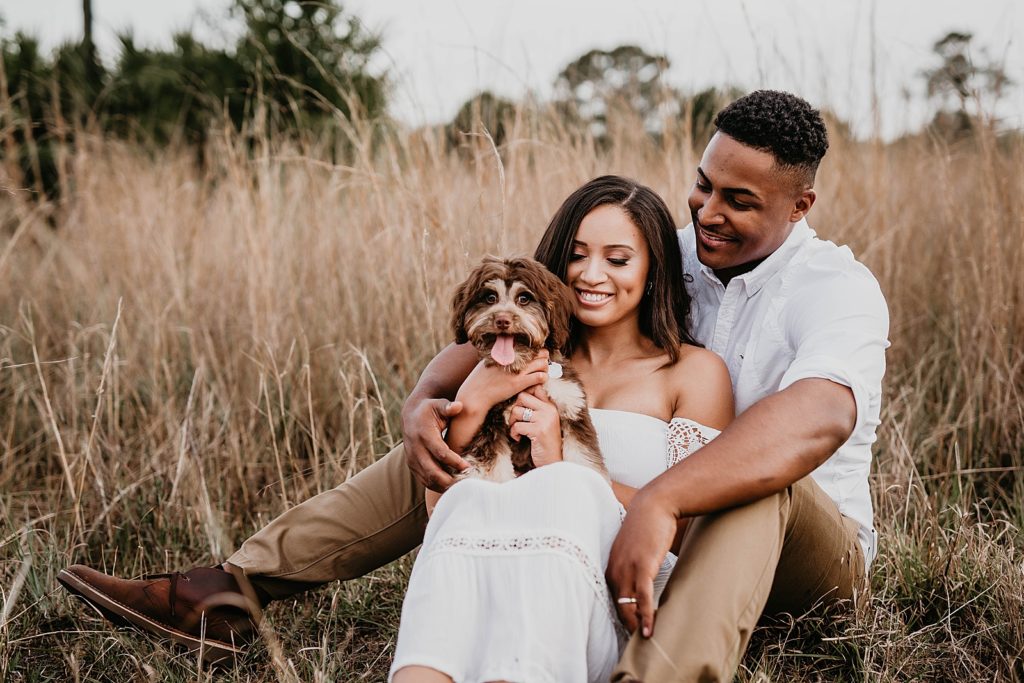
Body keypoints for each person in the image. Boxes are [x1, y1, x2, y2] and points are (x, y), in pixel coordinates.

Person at [59, 89, 889, 682]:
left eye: (737, 201)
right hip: (623, 505)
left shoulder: (834, 290)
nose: (708, 211)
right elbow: (515, 332)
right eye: (702, 185)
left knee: (757, 480)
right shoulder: (669, 252)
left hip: (806, 553)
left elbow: (814, 419)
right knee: (473, 433)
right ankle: (221, 595)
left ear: (801, 203)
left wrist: (655, 500)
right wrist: (427, 403)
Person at [389, 176, 733, 682]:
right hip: (490, 559)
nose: (592, 275)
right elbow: (439, 509)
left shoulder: (693, 372)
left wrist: (559, 464)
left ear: (654, 270)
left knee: (567, 493)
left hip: (605, 579)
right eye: (577, 255)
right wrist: (471, 402)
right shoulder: (513, 356)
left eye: (618, 260)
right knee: (468, 509)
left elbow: (699, 531)